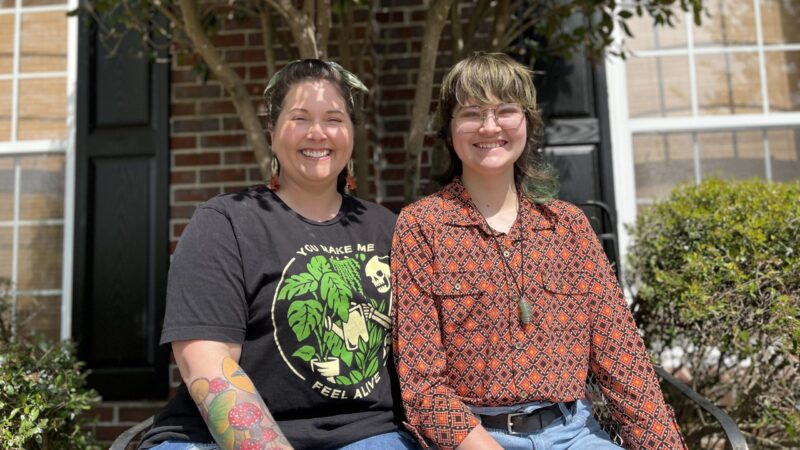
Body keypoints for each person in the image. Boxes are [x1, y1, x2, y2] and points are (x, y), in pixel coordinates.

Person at [391, 52, 687, 450]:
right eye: (472, 113)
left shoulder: (568, 228)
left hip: (576, 435)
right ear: (449, 129)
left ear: (527, 122)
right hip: (477, 438)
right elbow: (422, 385)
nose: (490, 126)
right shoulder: (421, 228)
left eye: (505, 111)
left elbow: (622, 360)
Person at [139, 59, 416, 450]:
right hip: (219, 438)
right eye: (300, 118)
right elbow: (206, 362)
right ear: (272, 133)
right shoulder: (226, 223)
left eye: (334, 119)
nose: (317, 133)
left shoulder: (386, 228)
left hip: (366, 435)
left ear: (351, 134)